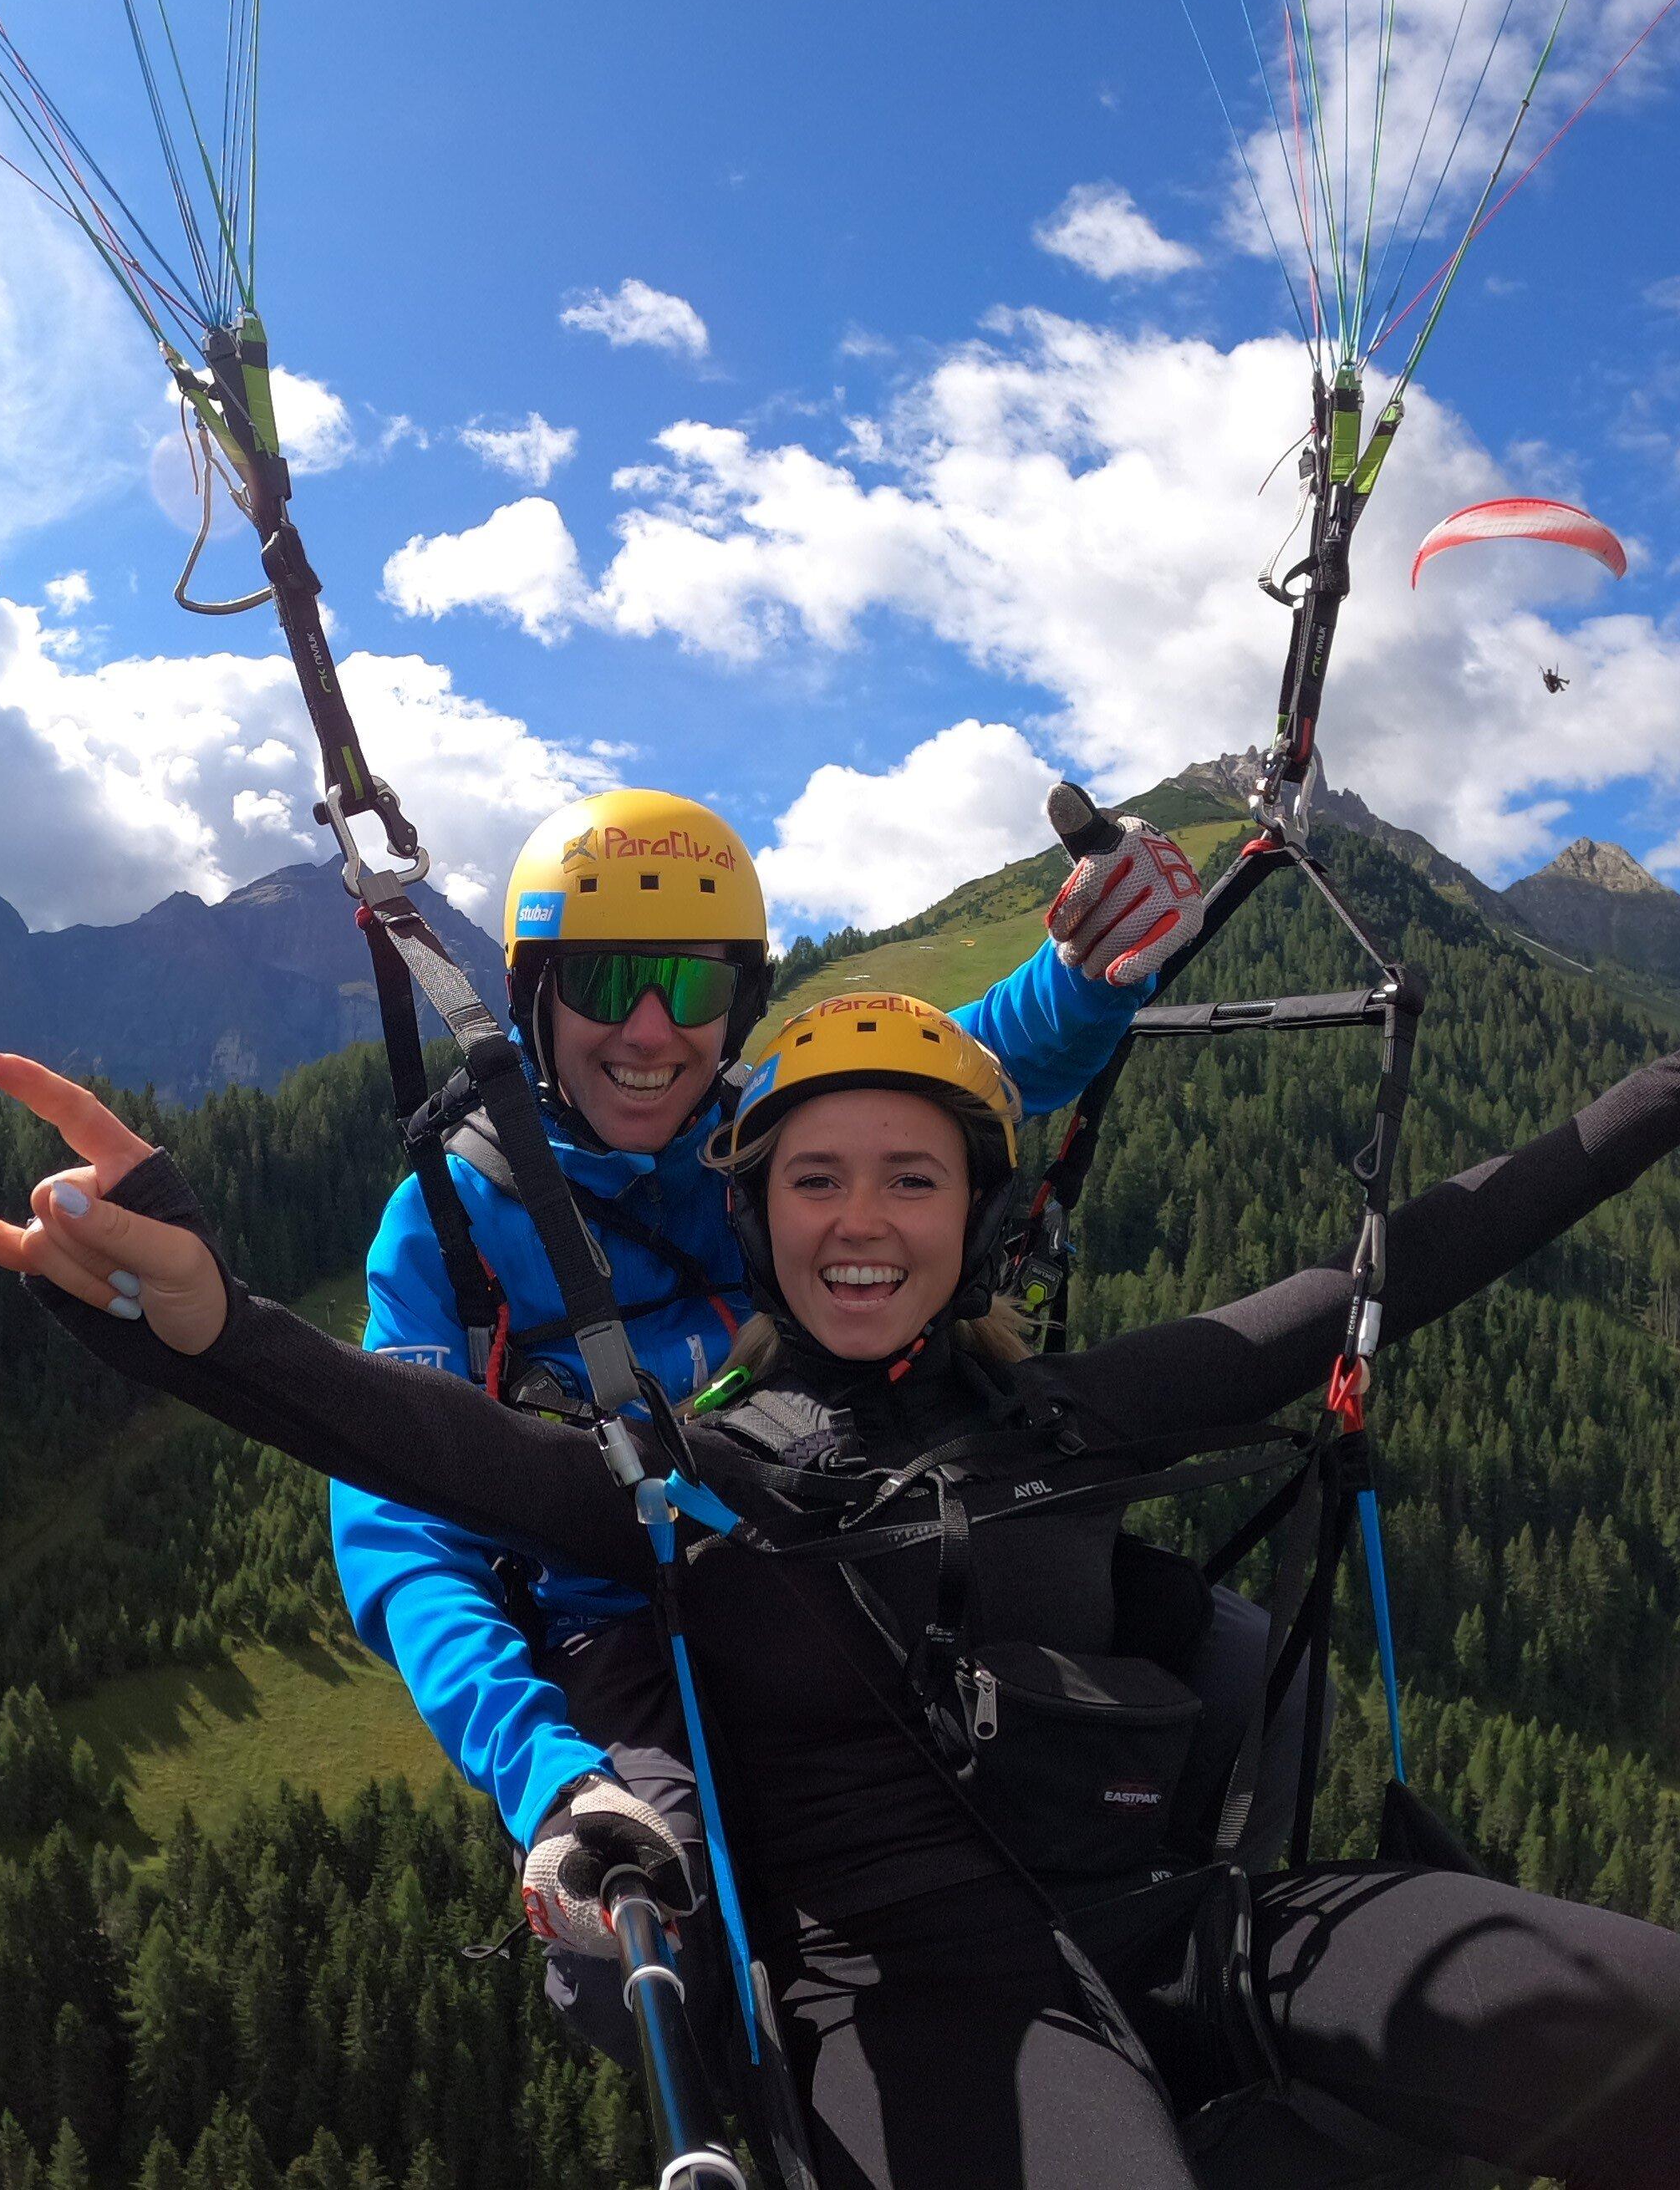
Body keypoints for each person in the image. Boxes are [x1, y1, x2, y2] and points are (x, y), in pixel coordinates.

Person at [0, 909, 1680, 2190]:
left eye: (908, 1177)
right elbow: (408, 1439)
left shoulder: (1076, 1409)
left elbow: (1390, 1265)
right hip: (903, 1984)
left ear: (969, 1218)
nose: (860, 1218)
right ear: (758, 1229)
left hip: (1177, 1916)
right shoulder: (675, 1476)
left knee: (1662, 2015)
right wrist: (190, 1316)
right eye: (814, 1179)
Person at [336, 789, 1257, 2048]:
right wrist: (546, 1766)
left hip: (852, 1553)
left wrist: (1084, 974)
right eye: (608, 985)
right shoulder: (453, 1221)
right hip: (630, 1632)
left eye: (695, 985)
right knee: (646, 1962)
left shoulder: (765, 1135)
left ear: (743, 999)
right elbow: (402, 1529)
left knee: (1202, 1652)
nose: (652, 1031)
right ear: (532, 996)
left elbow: (965, 1066)